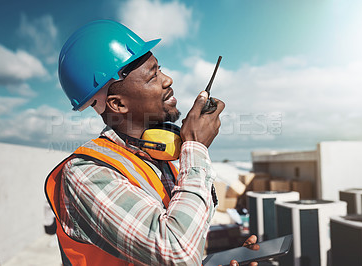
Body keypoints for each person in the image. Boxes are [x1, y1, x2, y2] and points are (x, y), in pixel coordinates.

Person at [45, 20, 257, 266]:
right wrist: (195, 147)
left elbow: (182, 246)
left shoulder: (165, 157)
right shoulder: (87, 174)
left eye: (161, 69)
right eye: (152, 76)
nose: (167, 80)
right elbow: (177, 252)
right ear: (118, 104)